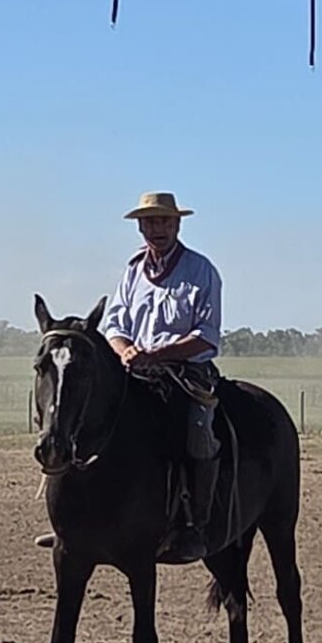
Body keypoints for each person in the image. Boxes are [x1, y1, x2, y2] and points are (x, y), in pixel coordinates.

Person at [102, 190, 224, 563]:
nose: (158, 228)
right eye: (151, 222)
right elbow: (114, 324)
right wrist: (125, 350)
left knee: (197, 432)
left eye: (165, 221)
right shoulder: (131, 271)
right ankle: (85, 521)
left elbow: (206, 335)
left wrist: (157, 354)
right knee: (90, 420)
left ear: (177, 225)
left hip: (186, 373)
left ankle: (193, 523)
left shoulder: (201, 270)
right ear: (140, 227)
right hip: (135, 371)